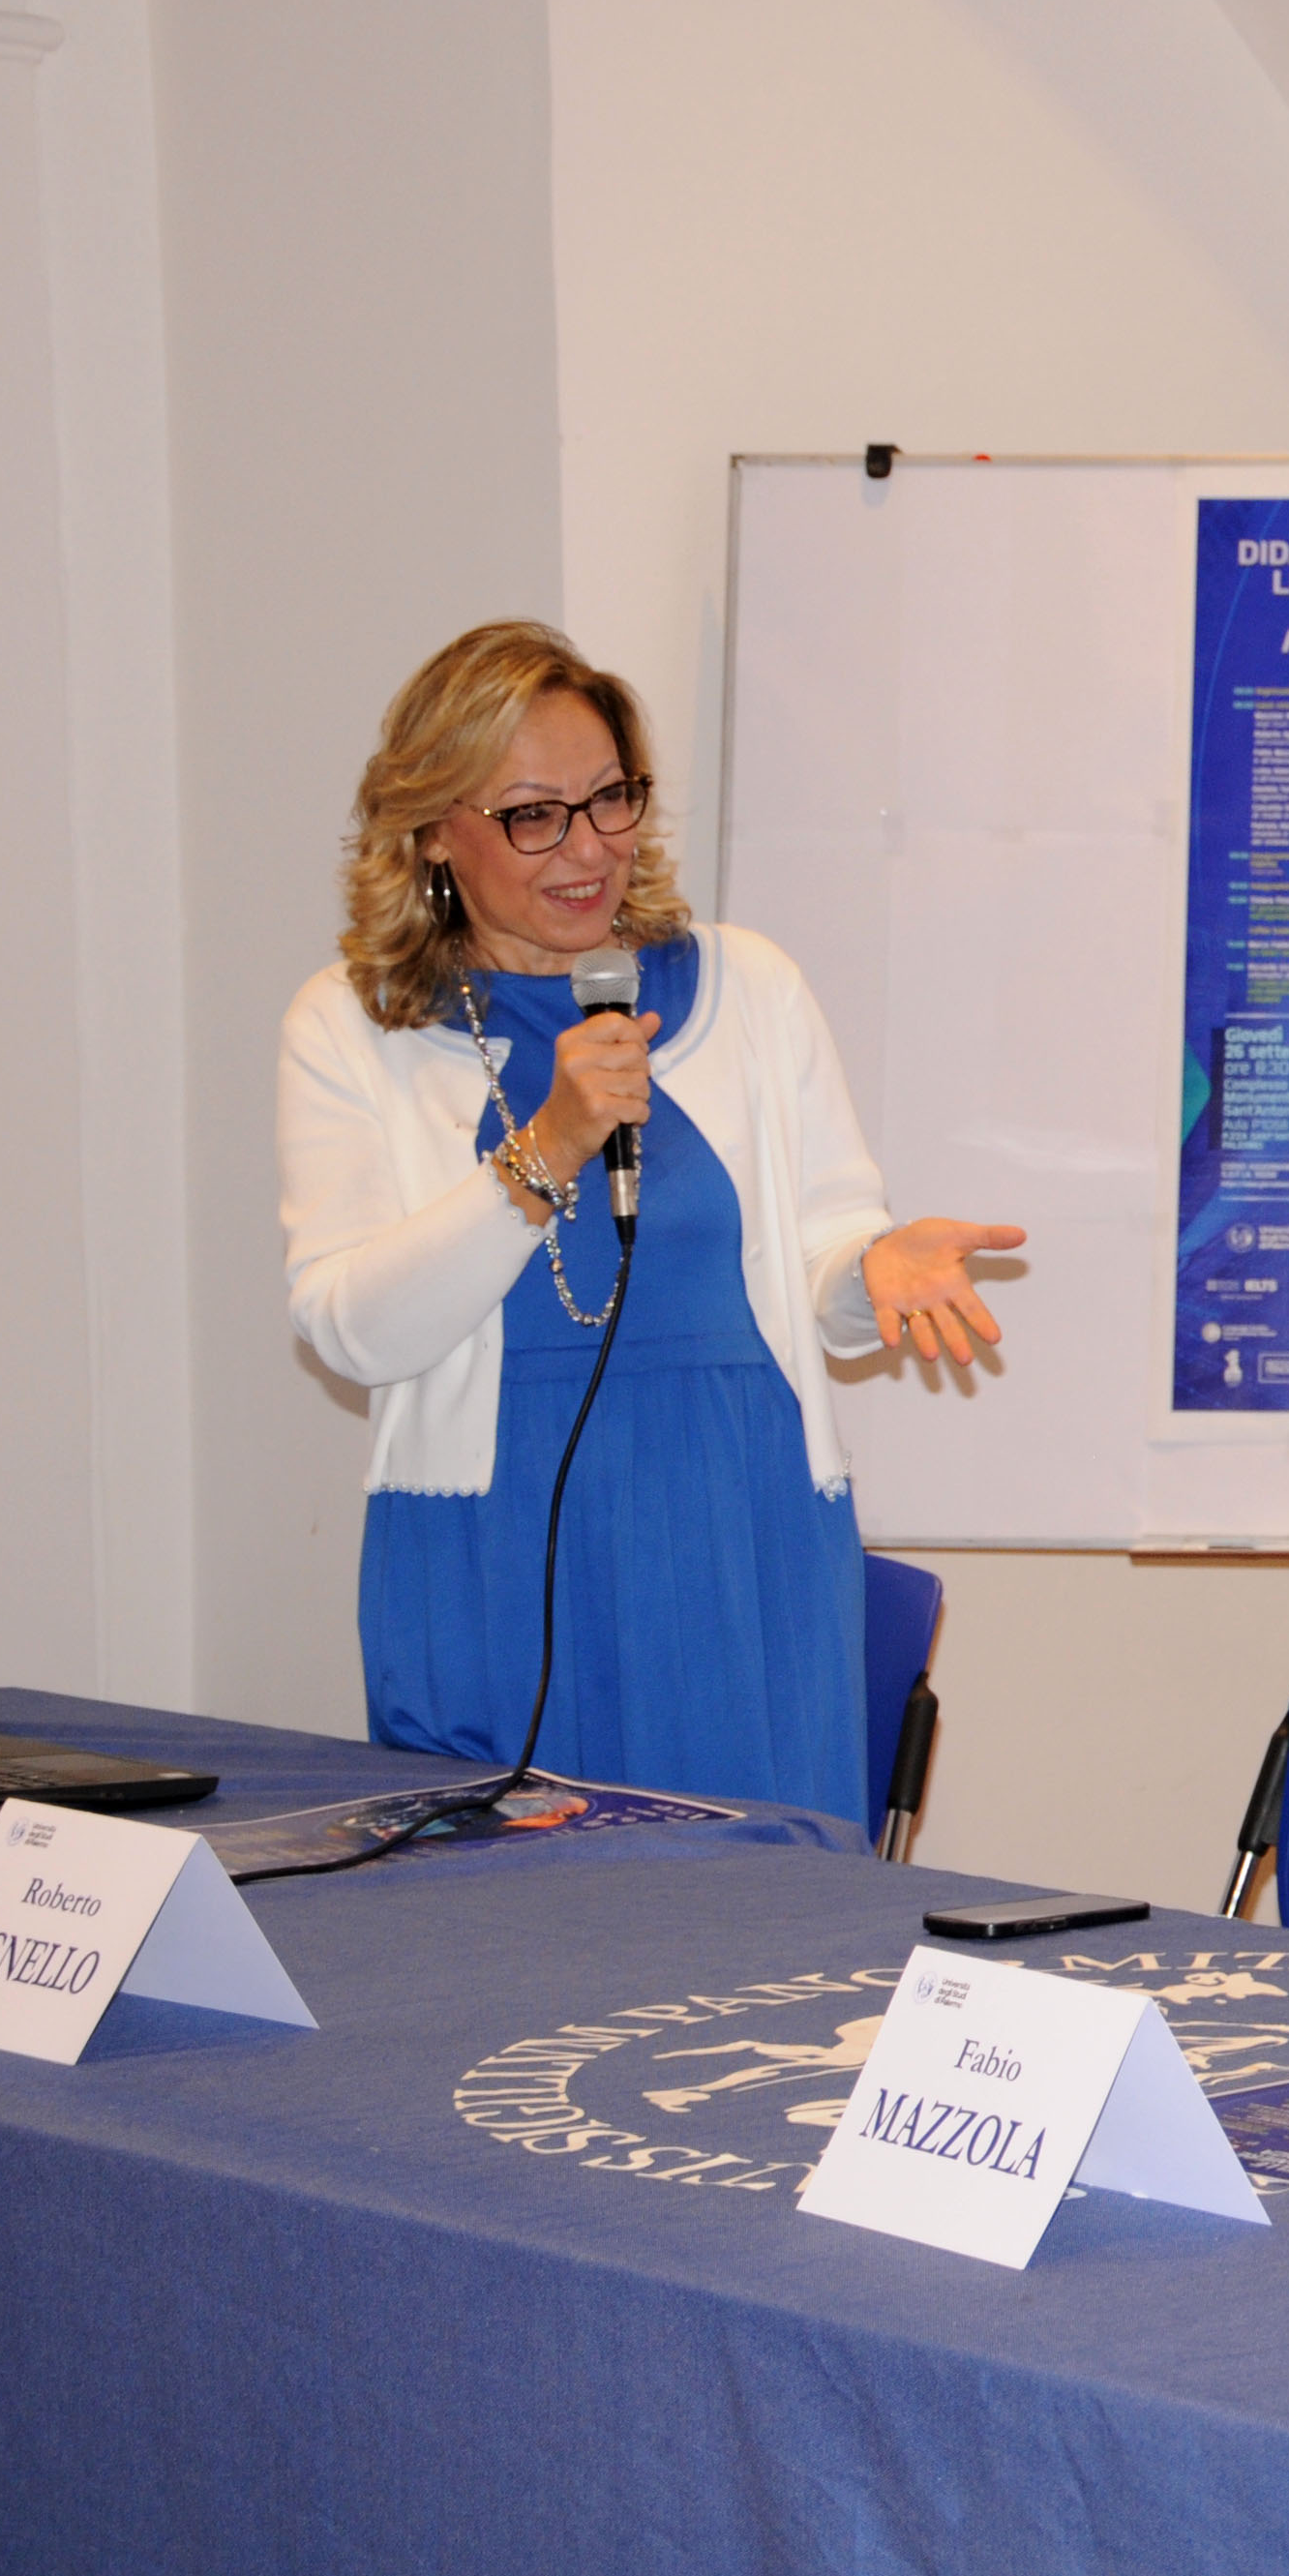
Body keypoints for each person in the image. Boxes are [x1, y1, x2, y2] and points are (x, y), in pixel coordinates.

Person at [280, 620, 1020, 1823]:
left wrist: (870, 1267)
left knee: (756, 1916)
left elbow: (821, 1263)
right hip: (485, 1550)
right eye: (534, 814)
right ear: (433, 830)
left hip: (737, 1532)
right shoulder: (353, 1027)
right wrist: (547, 1148)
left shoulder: (750, 988)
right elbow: (351, 1330)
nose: (589, 848)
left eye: (611, 798)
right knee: (506, 1921)